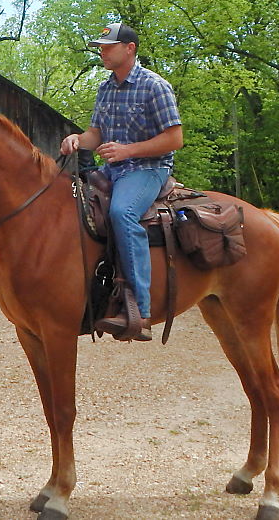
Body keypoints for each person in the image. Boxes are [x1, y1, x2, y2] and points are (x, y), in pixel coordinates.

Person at [60, 23, 183, 341]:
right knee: (69, 203)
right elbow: (96, 134)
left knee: (121, 213)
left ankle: (139, 310)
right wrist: (77, 139)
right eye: (101, 46)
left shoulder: (154, 86)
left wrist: (128, 150)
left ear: (129, 48)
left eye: (108, 46)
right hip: (112, 170)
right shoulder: (106, 88)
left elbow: (175, 138)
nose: (102, 51)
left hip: (148, 170)